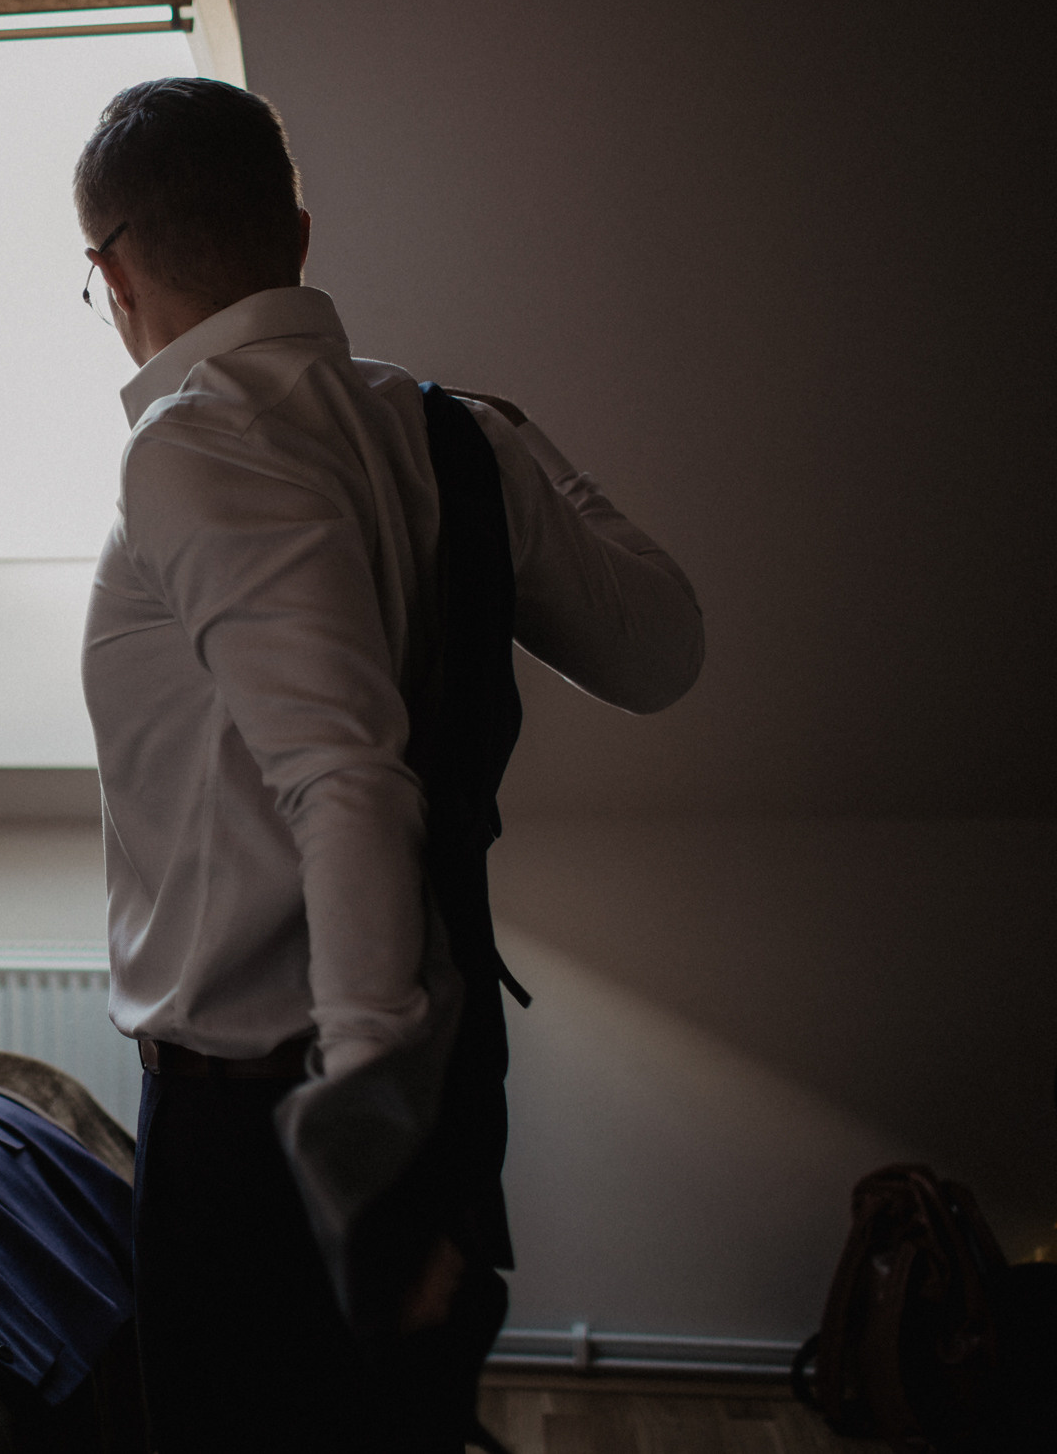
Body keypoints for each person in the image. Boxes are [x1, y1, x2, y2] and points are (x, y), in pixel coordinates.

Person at [76, 77, 704, 1451]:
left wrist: (368, 1160)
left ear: (111, 272)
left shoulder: (190, 443)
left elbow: (345, 779)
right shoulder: (449, 436)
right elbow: (662, 648)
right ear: (298, 235)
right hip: (444, 1071)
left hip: (275, 1131)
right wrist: (511, 440)